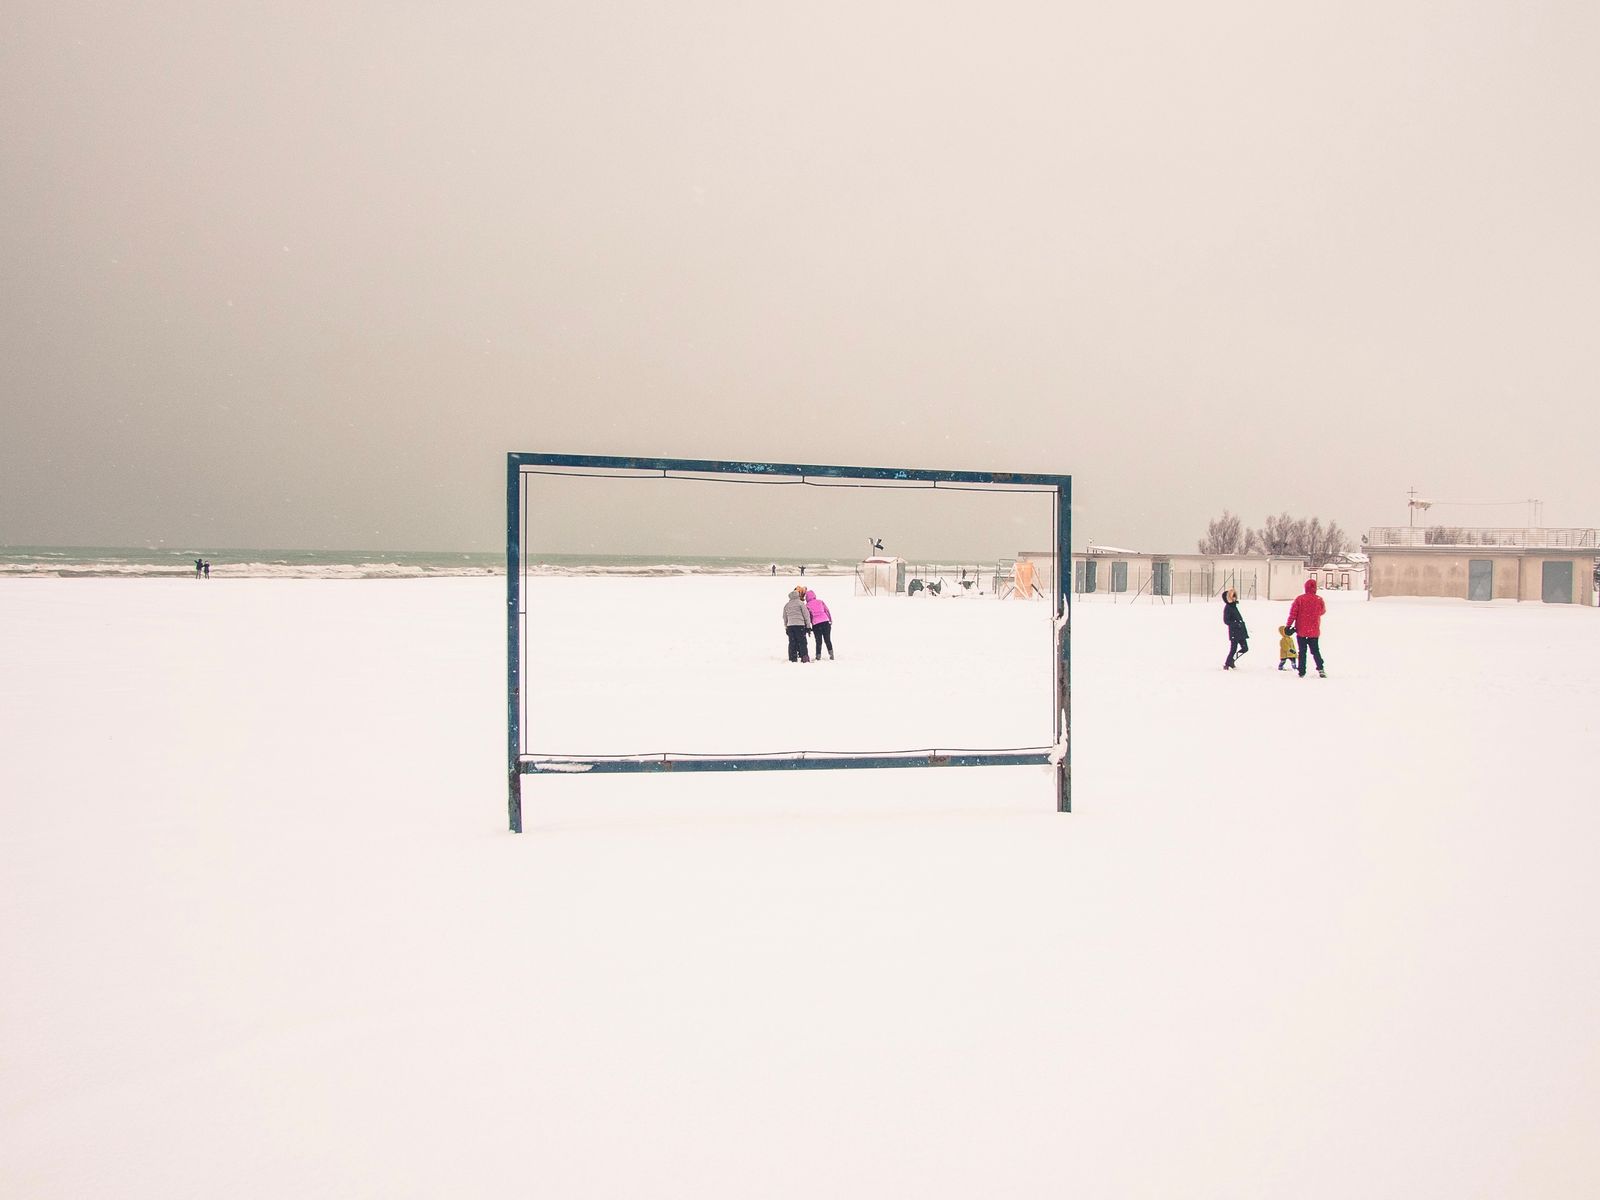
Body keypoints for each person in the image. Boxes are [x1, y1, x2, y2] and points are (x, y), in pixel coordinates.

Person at [1285, 578, 1328, 678]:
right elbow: (1322, 611)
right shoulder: (1319, 600)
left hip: (1301, 630)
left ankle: (1302, 671)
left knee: (1302, 651)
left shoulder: (1299, 599)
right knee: (1315, 650)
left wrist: (1288, 625)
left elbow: (1293, 614)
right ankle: (1320, 668)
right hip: (1314, 630)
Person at [782, 586, 813, 662]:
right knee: (802, 642)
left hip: (790, 626)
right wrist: (808, 626)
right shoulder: (801, 603)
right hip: (800, 625)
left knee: (792, 642)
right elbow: (806, 615)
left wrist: (786, 627)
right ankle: (804, 657)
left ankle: (792, 658)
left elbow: (784, 617)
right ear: (798, 595)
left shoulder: (786, 605)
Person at [1222, 588, 1248, 670]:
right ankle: (1227, 663)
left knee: (1245, 648)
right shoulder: (1228, 608)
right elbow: (1226, 621)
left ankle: (1231, 660)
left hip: (1240, 631)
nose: (1235, 598)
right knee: (1233, 649)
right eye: (1233, 596)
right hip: (1234, 631)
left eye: (1235, 596)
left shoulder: (1234, 606)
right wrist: (1236, 624)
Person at [805, 588, 834, 660]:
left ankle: (818, 656)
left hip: (816, 624)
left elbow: (809, 616)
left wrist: (811, 624)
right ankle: (831, 655)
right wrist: (830, 620)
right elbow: (827, 611)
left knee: (818, 641)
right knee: (828, 640)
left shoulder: (807, 605)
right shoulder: (820, 601)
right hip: (825, 622)